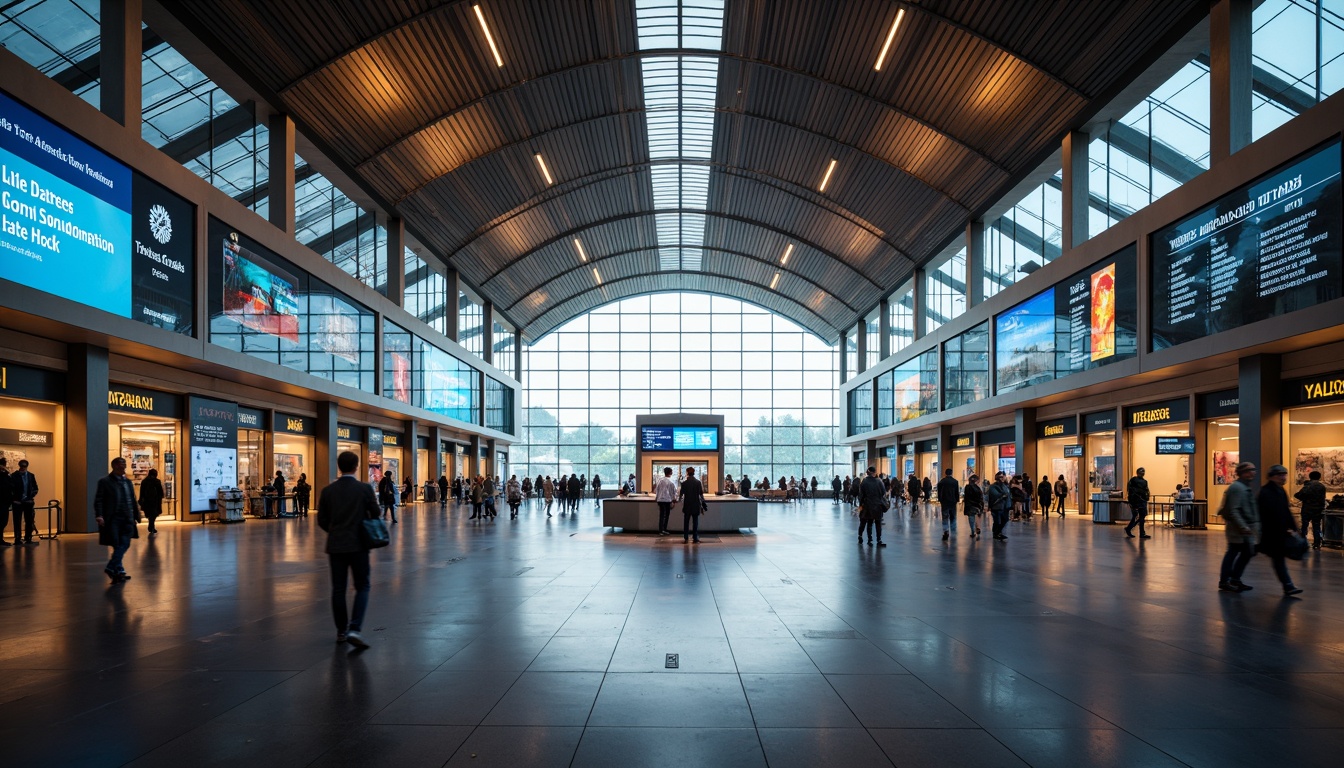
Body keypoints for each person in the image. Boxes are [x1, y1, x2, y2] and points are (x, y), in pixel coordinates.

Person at [317, 450, 381, 648]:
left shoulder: (328, 491)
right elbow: (376, 513)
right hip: (359, 545)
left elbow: (322, 520)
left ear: (339, 466)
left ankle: (341, 631)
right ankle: (355, 628)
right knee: (362, 586)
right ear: (356, 466)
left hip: (336, 545)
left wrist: (335, 531)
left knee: (338, 588)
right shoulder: (364, 489)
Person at [1257, 465, 1303, 596]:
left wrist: (1294, 528)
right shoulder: (1266, 492)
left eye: (1284, 474)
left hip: (1278, 533)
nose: (1283, 477)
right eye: (1280, 475)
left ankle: (1288, 585)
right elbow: (1268, 514)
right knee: (1278, 559)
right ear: (1272, 477)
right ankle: (1288, 585)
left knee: (1278, 559)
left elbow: (1285, 511)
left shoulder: (1280, 490)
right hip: (1273, 533)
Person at [94, 457, 141, 582]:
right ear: (114, 466)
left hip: (127, 518)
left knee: (124, 543)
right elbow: (99, 500)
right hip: (113, 518)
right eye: (121, 465)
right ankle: (118, 570)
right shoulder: (105, 482)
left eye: (125, 465)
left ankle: (112, 567)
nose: (124, 467)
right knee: (117, 544)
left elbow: (132, 499)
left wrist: (136, 515)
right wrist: (99, 515)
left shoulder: (128, 482)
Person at [1218, 462, 1260, 592]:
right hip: (1238, 529)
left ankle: (1234, 579)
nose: (1253, 472)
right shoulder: (1237, 488)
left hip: (1245, 527)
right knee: (1234, 552)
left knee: (1245, 553)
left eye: (1253, 469)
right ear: (1241, 473)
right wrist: (1243, 526)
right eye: (1249, 470)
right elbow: (1234, 510)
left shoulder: (1244, 486)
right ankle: (1226, 581)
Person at [1295, 470, 1327, 549]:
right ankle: (1317, 543)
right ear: (1319, 477)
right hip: (1318, 509)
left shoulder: (1308, 486)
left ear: (1310, 477)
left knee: (1304, 526)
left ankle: (1303, 542)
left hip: (1307, 508)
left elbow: (1298, 495)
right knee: (1316, 526)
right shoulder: (1322, 487)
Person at [857, 466, 888, 547]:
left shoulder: (864, 482)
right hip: (878, 505)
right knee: (878, 523)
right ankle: (879, 540)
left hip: (867, 505)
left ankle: (869, 540)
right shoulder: (879, 481)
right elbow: (883, 493)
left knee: (869, 523)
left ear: (868, 472)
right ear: (874, 472)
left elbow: (861, 495)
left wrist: (860, 505)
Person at [10, 459, 39, 545]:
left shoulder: (31, 476)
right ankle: (18, 538)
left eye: (24, 467)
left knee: (29, 520)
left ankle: (28, 537)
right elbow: (11, 489)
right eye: (22, 466)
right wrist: (14, 499)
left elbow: (35, 488)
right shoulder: (14, 476)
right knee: (17, 521)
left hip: (28, 502)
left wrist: (30, 497)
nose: (23, 468)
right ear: (19, 466)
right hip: (17, 502)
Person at [679, 466, 706, 543]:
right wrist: (703, 502)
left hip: (687, 504)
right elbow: (701, 494)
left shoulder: (684, 483)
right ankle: (695, 537)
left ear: (687, 473)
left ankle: (686, 537)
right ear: (694, 473)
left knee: (686, 521)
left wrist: (679, 501)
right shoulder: (698, 482)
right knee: (695, 521)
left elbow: (681, 495)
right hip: (695, 504)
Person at [1124, 467, 1150, 539]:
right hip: (1135, 501)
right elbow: (1130, 490)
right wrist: (1131, 500)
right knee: (1135, 516)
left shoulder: (1145, 481)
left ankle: (1141, 533)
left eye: (1144, 471)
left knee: (1142, 517)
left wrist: (1146, 497)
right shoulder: (1133, 480)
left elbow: (1146, 490)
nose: (1143, 473)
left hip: (1142, 501)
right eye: (1141, 471)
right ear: (1137, 472)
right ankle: (1129, 528)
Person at [936, 467, 960, 541]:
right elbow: (957, 492)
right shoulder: (955, 482)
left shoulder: (942, 482)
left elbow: (939, 492)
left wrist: (940, 499)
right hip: (953, 502)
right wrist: (957, 500)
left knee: (945, 517)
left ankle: (946, 531)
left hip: (945, 502)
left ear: (945, 473)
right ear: (951, 473)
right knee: (953, 516)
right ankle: (953, 531)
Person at [139, 468, 165, 536]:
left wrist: (141, 500)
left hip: (147, 501)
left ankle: (151, 526)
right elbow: (160, 492)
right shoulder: (157, 481)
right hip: (155, 501)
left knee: (150, 514)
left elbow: (142, 492)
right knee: (153, 515)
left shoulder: (144, 481)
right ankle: (151, 526)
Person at [987, 471, 1012, 541]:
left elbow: (1007, 494)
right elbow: (996, 495)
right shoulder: (993, 486)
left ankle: (998, 532)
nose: (1002, 478)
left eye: (1003, 476)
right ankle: (996, 533)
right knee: (997, 521)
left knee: (1005, 519)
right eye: (1000, 477)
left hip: (1005, 506)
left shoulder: (1004, 485)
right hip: (997, 506)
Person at [654, 466, 677, 535]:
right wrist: (674, 499)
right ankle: (664, 529)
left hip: (660, 500)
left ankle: (661, 530)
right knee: (666, 515)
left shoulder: (660, 480)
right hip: (667, 500)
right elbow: (672, 492)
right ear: (670, 473)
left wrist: (657, 498)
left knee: (661, 515)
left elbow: (657, 490)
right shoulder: (670, 481)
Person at [963, 473, 984, 539]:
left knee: (971, 518)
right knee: (978, 516)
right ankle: (978, 527)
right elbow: (981, 497)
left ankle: (973, 531)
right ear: (976, 481)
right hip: (977, 505)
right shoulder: (978, 488)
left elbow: (966, 497)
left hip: (969, 505)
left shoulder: (967, 487)